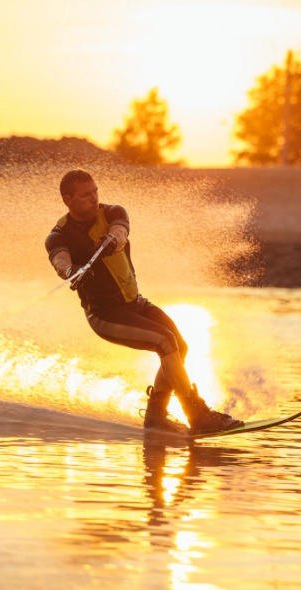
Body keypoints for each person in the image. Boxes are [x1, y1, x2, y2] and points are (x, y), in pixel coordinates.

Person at [44, 169, 244, 435]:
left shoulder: (114, 212)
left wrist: (114, 240)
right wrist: (72, 272)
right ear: (68, 200)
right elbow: (60, 262)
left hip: (135, 303)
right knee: (164, 341)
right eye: (85, 195)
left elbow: (120, 232)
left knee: (179, 346)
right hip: (105, 315)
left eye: (95, 192)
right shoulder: (58, 236)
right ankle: (197, 415)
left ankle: (155, 417)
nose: (94, 198)